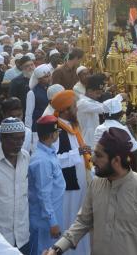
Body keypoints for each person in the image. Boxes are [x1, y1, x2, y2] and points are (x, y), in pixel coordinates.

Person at [45, 128, 137, 255]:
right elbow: (83, 221)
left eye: (99, 155)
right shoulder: (96, 183)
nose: (92, 159)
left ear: (116, 161)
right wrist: (57, 249)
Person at [0, 118, 30, 254]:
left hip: (22, 236)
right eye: (13, 139)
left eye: (22, 139)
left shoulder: (26, 157)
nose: (19, 143)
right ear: (1, 138)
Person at [51, 90, 91, 255]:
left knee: (82, 221)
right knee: (72, 222)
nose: (77, 109)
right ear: (66, 110)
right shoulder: (56, 130)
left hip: (81, 185)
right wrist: (78, 153)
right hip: (69, 189)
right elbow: (54, 161)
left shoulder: (72, 126)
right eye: (74, 106)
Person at [29, 115, 66, 255]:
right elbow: (44, 194)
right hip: (44, 221)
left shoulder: (48, 152)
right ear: (52, 134)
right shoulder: (42, 160)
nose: (58, 135)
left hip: (52, 214)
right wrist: (53, 223)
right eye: (57, 132)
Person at [94, 94, 137, 159]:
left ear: (103, 115)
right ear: (121, 114)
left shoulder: (98, 129)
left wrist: (127, 122)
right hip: (115, 170)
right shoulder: (122, 130)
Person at [77, 75, 125, 149]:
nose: (99, 96)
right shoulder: (83, 103)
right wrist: (119, 97)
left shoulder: (92, 101)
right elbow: (104, 108)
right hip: (87, 143)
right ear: (89, 91)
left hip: (93, 141)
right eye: (97, 93)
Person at [25, 64, 52, 150]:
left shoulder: (50, 89)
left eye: (49, 75)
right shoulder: (32, 93)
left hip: (49, 127)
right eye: (45, 77)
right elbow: (28, 114)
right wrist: (28, 132)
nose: (48, 78)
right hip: (36, 129)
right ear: (39, 79)